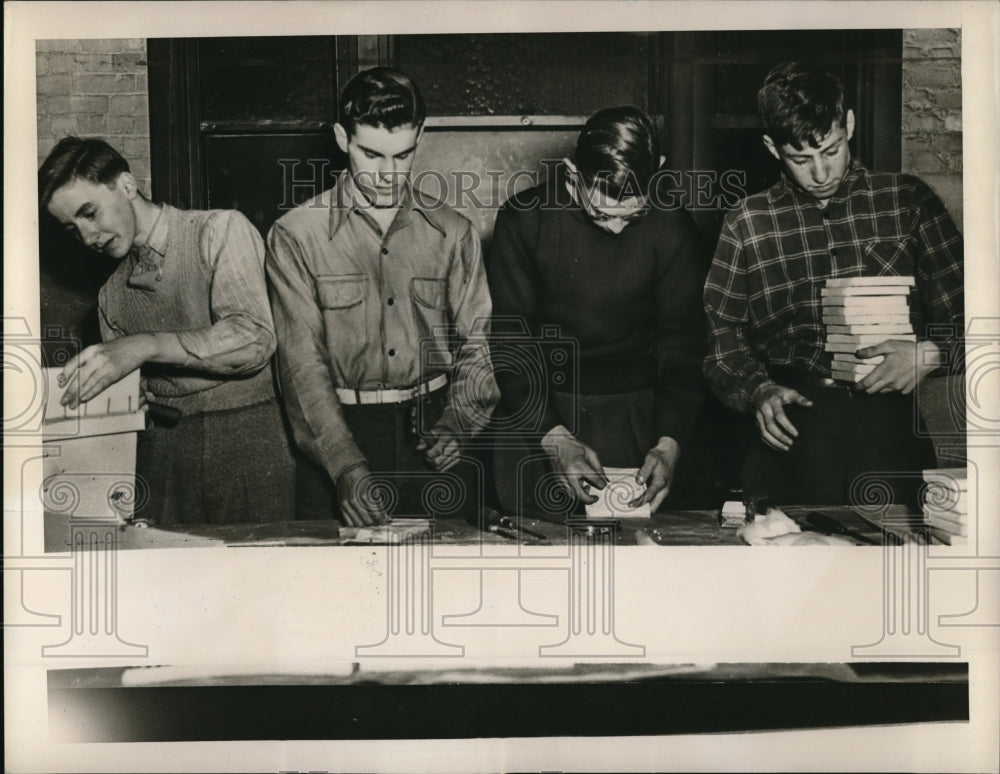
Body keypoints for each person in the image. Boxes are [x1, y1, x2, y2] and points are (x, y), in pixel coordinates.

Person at [703, 62, 964, 506]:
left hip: (890, 435)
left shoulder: (908, 202)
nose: (821, 173)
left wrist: (929, 353)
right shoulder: (747, 222)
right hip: (790, 439)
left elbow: (977, 319)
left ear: (850, 125)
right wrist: (758, 389)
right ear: (771, 147)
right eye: (801, 159)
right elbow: (721, 344)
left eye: (831, 150)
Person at [266, 67, 498, 527]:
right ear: (342, 139)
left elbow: (477, 346)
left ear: (420, 137)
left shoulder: (454, 233)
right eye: (371, 155)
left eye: (402, 155)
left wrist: (459, 423)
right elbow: (301, 365)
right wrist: (344, 464)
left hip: (436, 438)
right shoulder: (295, 236)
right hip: (339, 437)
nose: (388, 174)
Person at [39, 137, 296, 525]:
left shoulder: (218, 230)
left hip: (249, 440)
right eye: (73, 230)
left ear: (127, 185)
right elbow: (134, 399)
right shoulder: (111, 295)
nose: (88, 237)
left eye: (89, 213)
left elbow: (254, 339)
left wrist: (143, 346)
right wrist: (130, 406)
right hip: (163, 457)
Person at [487, 106, 707, 517]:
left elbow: (683, 344)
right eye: (602, 213)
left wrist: (669, 442)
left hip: (639, 417)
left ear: (658, 169)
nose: (617, 228)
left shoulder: (673, 226)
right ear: (573, 175)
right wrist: (553, 438)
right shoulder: (524, 220)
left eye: (634, 214)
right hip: (539, 411)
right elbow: (511, 342)